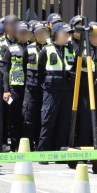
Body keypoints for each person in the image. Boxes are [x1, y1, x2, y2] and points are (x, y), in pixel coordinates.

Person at [36, 22, 76, 151]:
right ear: (56, 33)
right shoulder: (46, 50)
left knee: (64, 122)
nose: (67, 35)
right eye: (65, 33)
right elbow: (40, 71)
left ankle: (61, 151)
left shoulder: (70, 49)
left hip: (67, 89)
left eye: (68, 33)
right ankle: (43, 151)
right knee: (47, 120)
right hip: (51, 90)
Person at [0, 21, 29, 151]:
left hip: (30, 88)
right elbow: (5, 70)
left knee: (28, 117)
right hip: (15, 88)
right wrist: (6, 90)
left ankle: (28, 144)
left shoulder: (33, 48)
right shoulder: (10, 49)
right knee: (15, 117)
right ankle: (15, 145)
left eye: (25, 32)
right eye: (20, 32)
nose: (23, 34)